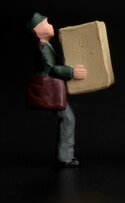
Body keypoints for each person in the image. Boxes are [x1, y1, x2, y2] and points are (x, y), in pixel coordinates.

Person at [27, 12, 87, 168]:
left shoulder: (46, 46)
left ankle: (66, 155)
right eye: (46, 23)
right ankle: (64, 158)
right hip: (50, 92)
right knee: (67, 118)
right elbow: (52, 69)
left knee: (67, 118)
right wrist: (71, 72)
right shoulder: (43, 48)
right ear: (37, 30)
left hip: (53, 91)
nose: (51, 25)